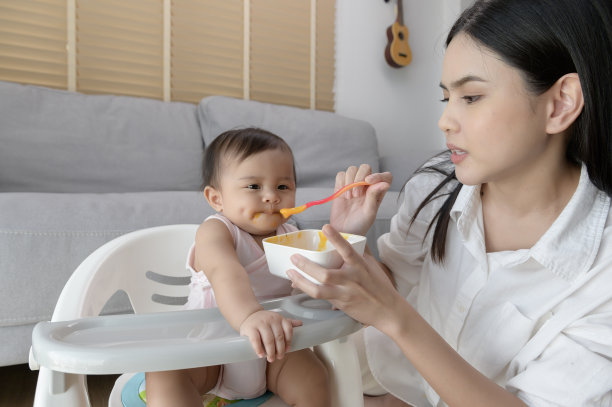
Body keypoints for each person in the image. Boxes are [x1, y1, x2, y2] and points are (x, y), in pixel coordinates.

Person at [288, 0, 612, 406]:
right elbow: (394, 284)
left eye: (472, 97)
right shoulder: (435, 187)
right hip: (371, 380)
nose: (445, 121)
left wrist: (396, 317)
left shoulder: (602, 267)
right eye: (447, 99)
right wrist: (350, 243)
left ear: (560, 103)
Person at [145, 128, 330, 407]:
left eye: (283, 186)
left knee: (315, 376)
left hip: (272, 353)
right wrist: (250, 316)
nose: (271, 196)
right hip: (209, 353)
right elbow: (224, 272)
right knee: (165, 372)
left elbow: (315, 277)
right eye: (254, 187)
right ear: (216, 198)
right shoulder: (216, 231)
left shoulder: (292, 234)